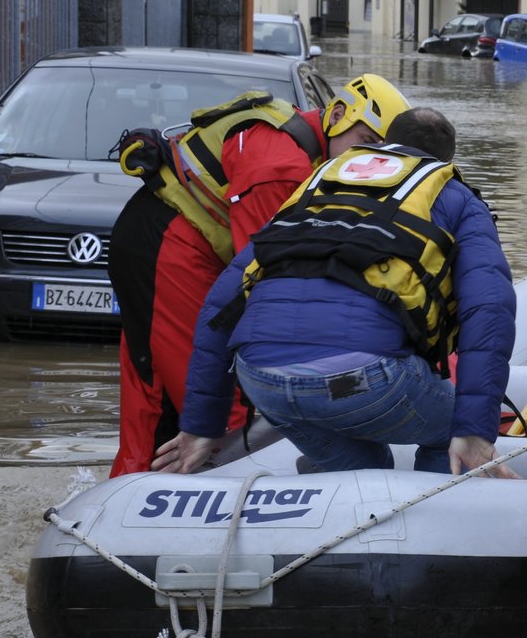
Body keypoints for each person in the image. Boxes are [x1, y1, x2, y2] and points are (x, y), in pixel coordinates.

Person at [152, 108, 518, 478]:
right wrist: (474, 430)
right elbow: (489, 309)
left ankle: (351, 514)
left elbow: (221, 304)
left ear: (385, 143)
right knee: (453, 429)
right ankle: (434, 519)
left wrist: (201, 425)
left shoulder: (318, 184)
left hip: (262, 381)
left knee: (365, 469)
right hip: (361, 379)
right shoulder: (455, 196)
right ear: (445, 160)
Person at [108, 74, 411, 476]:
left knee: (154, 390)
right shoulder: (281, 167)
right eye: (367, 142)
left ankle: (130, 490)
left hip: (166, 240)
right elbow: (270, 278)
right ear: (338, 114)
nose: (366, 161)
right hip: (169, 250)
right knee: (216, 408)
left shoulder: (308, 150)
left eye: (382, 154)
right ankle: (153, 505)